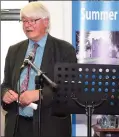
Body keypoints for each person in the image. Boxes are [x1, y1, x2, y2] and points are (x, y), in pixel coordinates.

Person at [1, 2, 77, 137]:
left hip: (50, 126)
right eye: (24, 21)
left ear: (46, 22)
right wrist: (5, 93)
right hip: (17, 125)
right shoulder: (14, 50)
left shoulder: (64, 49)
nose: (27, 25)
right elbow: (6, 84)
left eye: (32, 20)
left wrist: (39, 94)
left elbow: (69, 87)